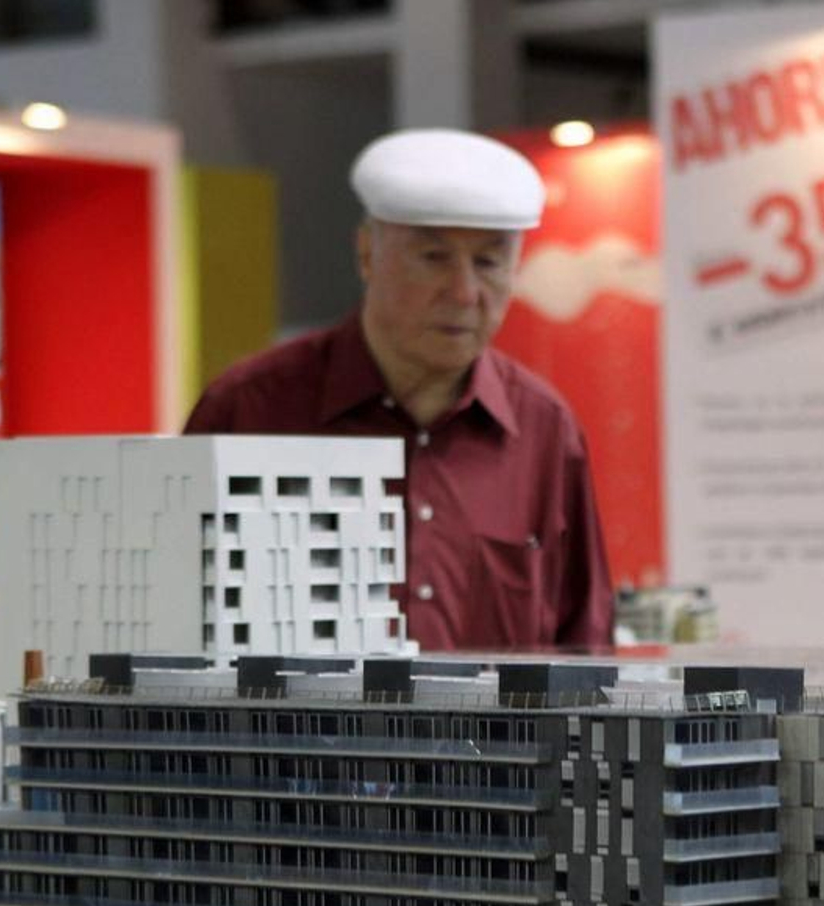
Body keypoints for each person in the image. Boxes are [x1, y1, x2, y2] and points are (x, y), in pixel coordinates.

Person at [185, 129, 614, 650]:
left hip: (492, 736)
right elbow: (177, 625)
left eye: (488, 262)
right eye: (433, 257)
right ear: (367, 254)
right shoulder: (250, 409)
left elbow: (585, 642)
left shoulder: (545, 430)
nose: (463, 293)